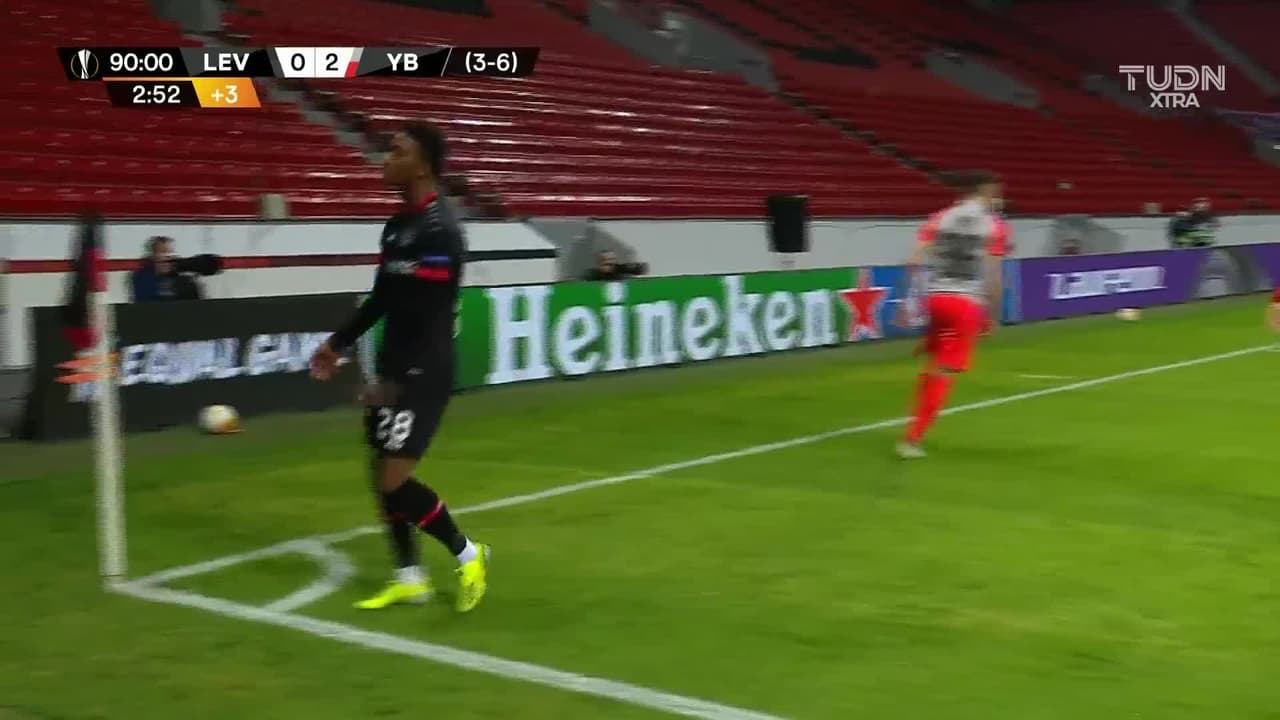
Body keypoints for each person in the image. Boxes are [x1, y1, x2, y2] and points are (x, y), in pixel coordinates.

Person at [309, 122, 490, 613]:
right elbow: (383, 297)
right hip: (394, 368)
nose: (385, 159)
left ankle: (469, 555)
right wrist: (338, 344)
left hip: (423, 370)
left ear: (423, 166)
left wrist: (393, 380)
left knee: (393, 478)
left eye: (396, 151)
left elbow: (422, 306)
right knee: (380, 469)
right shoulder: (395, 226)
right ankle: (409, 576)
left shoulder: (441, 231)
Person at [895, 170, 1009, 459]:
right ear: (985, 191)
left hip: (936, 299)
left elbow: (912, 260)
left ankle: (930, 350)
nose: (998, 197)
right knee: (945, 371)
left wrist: (905, 302)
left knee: (935, 362)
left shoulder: (940, 217)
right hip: (964, 304)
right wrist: (993, 315)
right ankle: (911, 439)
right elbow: (994, 278)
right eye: (996, 192)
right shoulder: (994, 226)